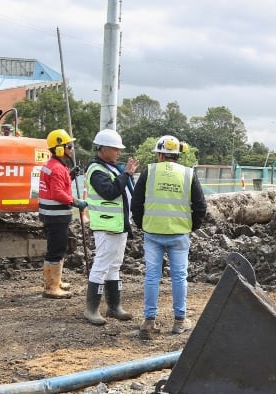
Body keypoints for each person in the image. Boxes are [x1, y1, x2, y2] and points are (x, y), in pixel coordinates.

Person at [131, 135, 207, 338]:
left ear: (161, 154)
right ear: (177, 154)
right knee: (180, 277)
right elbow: (201, 206)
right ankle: (180, 321)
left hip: (153, 232)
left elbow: (136, 203)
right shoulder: (188, 173)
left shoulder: (149, 171)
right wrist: (191, 226)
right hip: (179, 233)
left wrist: (143, 225)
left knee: (152, 277)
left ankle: (149, 321)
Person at [82, 129, 140, 326]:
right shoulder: (96, 170)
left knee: (114, 265)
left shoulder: (110, 167)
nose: (118, 153)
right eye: (115, 149)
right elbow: (110, 192)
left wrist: (126, 174)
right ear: (103, 148)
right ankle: (92, 309)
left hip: (117, 225)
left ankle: (114, 307)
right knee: (101, 265)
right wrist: (126, 174)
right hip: (107, 226)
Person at [38, 129, 88, 299]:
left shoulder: (53, 166)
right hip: (56, 216)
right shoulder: (58, 168)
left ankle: (56, 281)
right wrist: (76, 202)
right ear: (59, 149)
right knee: (56, 249)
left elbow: (58, 184)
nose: (72, 149)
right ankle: (51, 288)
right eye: (69, 145)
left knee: (58, 247)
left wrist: (71, 175)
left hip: (51, 215)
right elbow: (58, 193)